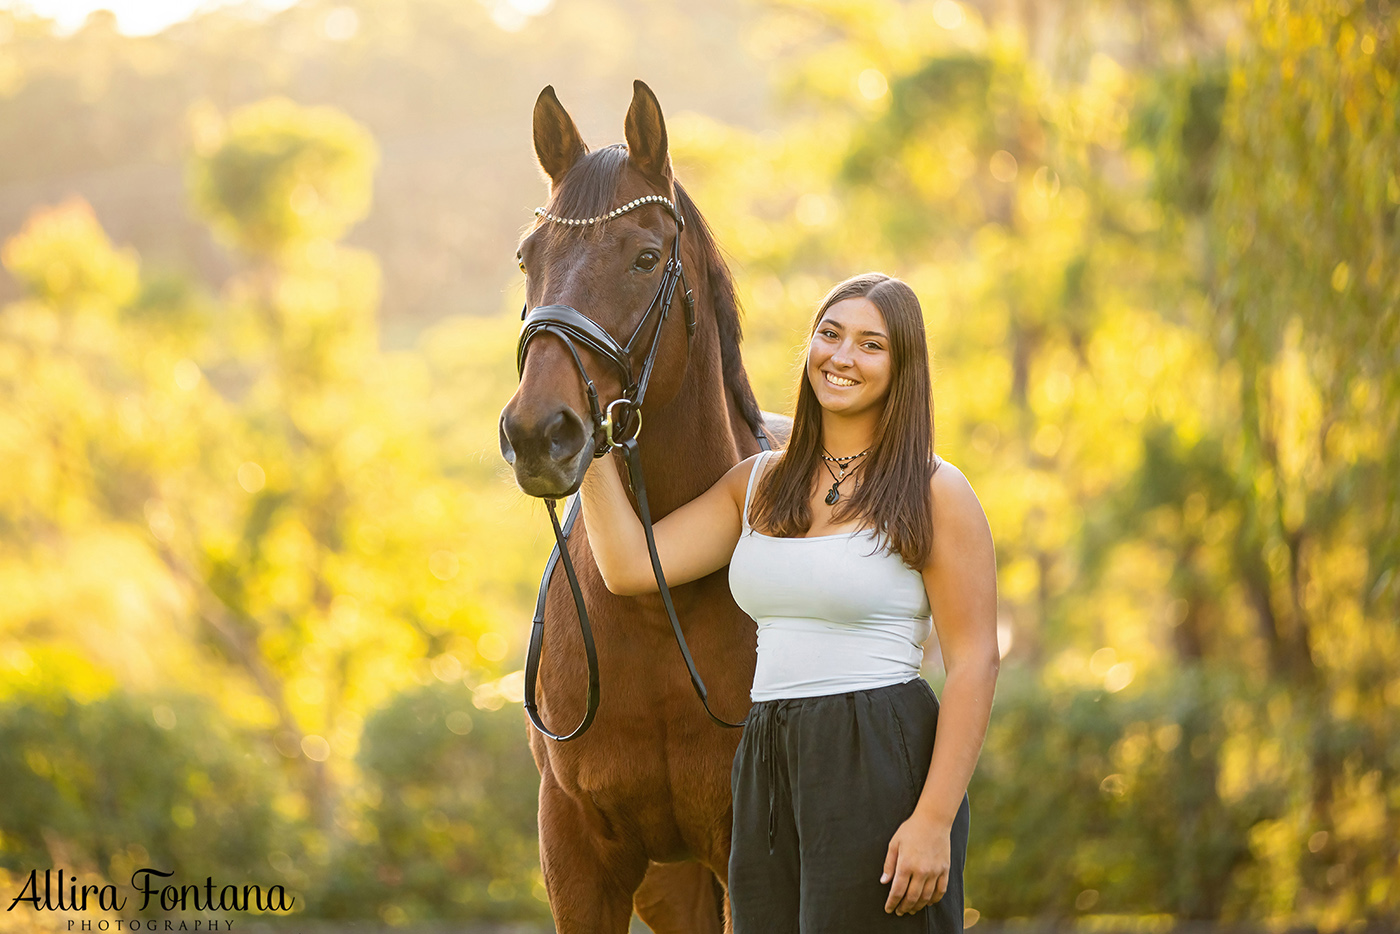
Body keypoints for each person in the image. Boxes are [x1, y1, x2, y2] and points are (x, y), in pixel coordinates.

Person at [579, 272, 999, 931]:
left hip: (878, 750)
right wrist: (588, 437)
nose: (842, 356)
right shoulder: (756, 485)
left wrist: (933, 819)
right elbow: (631, 565)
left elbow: (975, 660)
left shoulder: (935, 489)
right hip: (767, 755)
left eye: (870, 344)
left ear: (904, 365)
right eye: (829, 335)